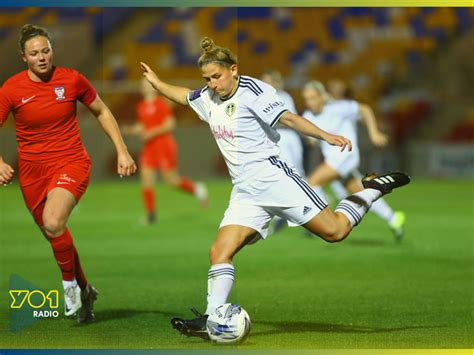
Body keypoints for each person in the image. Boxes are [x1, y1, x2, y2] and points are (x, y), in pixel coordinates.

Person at [140, 37, 410, 340]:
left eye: (217, 76)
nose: (212, 84)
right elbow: (184, 96)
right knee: (219, 251)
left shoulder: (253, 91)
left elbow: (290, 119)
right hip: (245, 192)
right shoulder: (208, 96)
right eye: (207, 78)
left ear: (234, 70)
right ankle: (211, 317)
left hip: (276, 179)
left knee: (335, 231)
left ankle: (372, 189)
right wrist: (157, 83)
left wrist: (326, 136)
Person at [0, 24, 137, 323]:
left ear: (52, 50)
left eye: (46, 50)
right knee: (54, 233)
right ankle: (86, 290)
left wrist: (123, 150)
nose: (42, 57)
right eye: (34, 53)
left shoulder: (71, 79)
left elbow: (101, 110)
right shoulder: (11, 89)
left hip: (71, 163)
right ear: (24, 57)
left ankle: (69, 286)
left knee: (53, 220)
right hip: (33, 174)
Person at [302, 81, 406, 240]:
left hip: (346, 155)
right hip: (334, 159)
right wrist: (311, 138)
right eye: (307, 99)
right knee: (360, 193)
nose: (310, 102)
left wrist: (374, 133)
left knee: (311, 183)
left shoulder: (339, 108)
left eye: (313, 98)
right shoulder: (308, 115)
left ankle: (324, 221)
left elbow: (365, 109)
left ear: (322, 96)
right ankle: (393, 218)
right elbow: (311, 138)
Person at [123, 78, 208, 225]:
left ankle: (197, 189)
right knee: (146, 181)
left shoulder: (161, 103)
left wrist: (151, 133)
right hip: (149, 147)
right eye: (143, 85)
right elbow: (143, 125)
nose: (145, 88)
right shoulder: (141, 106)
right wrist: (131, 129)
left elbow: (170, 124)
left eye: (148, 85)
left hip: (164, 145)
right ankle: (151, 216)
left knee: (171, 181)